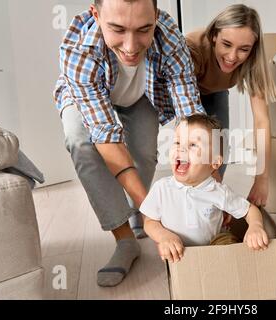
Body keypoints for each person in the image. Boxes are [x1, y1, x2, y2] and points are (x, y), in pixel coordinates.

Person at [53, 0, 203, 287]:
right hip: (89, 94)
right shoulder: (79, 48)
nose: (131, 46)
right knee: (80, 141)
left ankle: (138, 215)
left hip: (141, 95)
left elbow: (190, 116)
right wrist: (156, 215)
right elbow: (106, 138)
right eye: (118, 29)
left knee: (144, 152)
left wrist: (209, 187)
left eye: (144, 29)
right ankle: (125, 240)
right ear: (96, 15)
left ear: (156, 17)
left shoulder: (169, 36)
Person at [186, 4, 276, 208]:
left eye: (243, 49)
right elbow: (190, 117)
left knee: (221, 149)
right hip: (185, 93)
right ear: (213, 35)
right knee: (195, 149)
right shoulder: (193, 47)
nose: (232, 57)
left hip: (216, 91)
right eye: (226, 44)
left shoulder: (252, 62)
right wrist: (208, 170)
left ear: (252, 48)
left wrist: (261, 180)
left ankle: (208, 203)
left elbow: (262, 120)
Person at [141, 114, 269, 263]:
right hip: (178, 252)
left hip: (211, 248)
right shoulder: (162, 188)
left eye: (193, 145)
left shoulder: (218, 191)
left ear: (214, 162)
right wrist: (164, 236)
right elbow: (149, 221)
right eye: (177, 142)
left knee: (228, 244)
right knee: (168, 249)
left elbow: (249, 210)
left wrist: (255, 226)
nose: (181, 150)